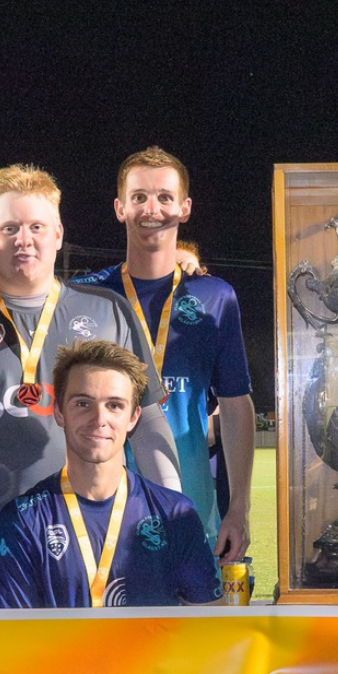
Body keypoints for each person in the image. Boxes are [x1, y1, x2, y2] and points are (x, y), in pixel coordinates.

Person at [0, 163, 180, 509]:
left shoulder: (109, 311)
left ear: (58, 234)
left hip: (93, 530)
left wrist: (174, 507)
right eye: (9, 228)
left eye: (36, 227)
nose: (23, 240)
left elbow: (147, 423)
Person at [70, 147, 256, 559]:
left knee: (191, 622)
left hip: (191, 506)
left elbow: (235, 403)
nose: (151, 208)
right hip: (97, 508)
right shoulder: (84, 295)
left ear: (185, 208)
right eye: (139, 197)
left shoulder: (215, 297)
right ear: (120, 208)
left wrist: (239, 508)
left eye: (164, 197)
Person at [0, 340, 222, 607]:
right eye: (83, 404)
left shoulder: (175, 515)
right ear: (58, 411)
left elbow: (209, 624)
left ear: (134, 417)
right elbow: (15, 638)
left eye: (114, 405)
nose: (99, 418)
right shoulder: (22, 520)